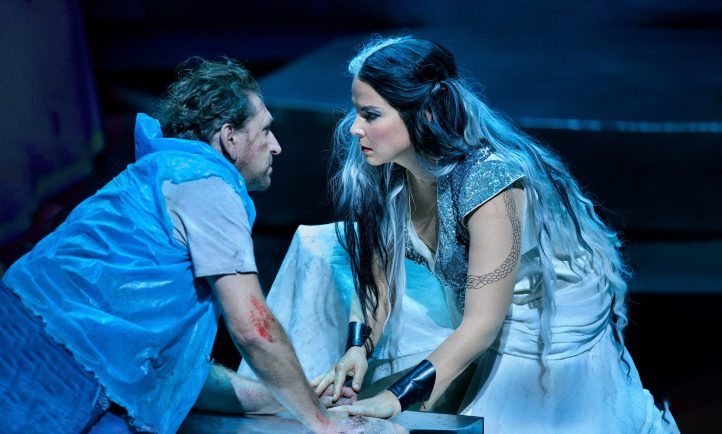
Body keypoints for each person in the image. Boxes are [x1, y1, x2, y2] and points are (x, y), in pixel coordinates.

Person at [241, 36, 680, 433]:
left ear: (425, 113)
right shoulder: (385, 167)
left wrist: (395, 398)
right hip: (476, 295)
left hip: (546, 308)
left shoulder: (490, 184)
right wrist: (359, 347)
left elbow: (482, 324)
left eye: (371, 115)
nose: (355, 128)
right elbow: (375, 273)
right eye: (357, 112)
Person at [0, 57, 385, 434]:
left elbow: (178, 378)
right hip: (44, 355)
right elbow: (253, 329)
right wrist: (325, 425)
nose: (276, 146)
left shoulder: (166, 176)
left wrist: (295, 398)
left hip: (43, 347)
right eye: (266, 130)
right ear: (229, 137)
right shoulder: (207, 184)